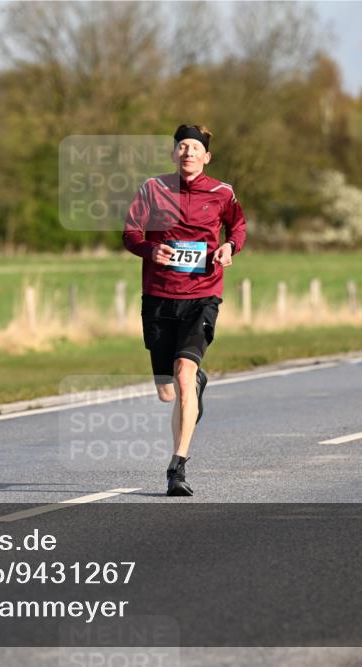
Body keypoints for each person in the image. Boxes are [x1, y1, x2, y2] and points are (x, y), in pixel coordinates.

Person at [122, 124, 247, 495]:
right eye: (182, 147)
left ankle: (178, 467)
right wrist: (149, 250)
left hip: (201, 296)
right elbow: (130, 233)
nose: (188, 152)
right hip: (159, 297)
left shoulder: (222, 192)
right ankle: (195, 383)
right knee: (167, 391)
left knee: (182, 373)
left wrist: (230, 248)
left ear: (206, 156)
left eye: (195, 147)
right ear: (173, 153)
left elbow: (237, 227)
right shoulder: (152, 189)